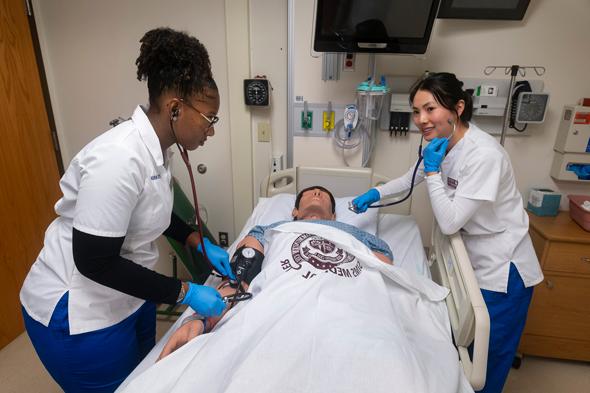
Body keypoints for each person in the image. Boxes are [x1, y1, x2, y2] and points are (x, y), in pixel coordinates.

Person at [19, 27, 235, 393]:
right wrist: (185, 291)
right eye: (209, 118)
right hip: (77, 311)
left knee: (146, 380)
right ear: (175, 108)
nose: (210, 130)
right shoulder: (119, 159)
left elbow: (149, 210)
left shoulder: (156, 151)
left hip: (130, 294)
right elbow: (94, 261)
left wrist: (197, 241)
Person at [352, 72, 543, 393]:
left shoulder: (484, 155)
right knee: (462, 349)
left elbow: (450, 221)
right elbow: (411, 179)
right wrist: (376, 193)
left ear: (458, 107)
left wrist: (431, 170)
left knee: (488, 359)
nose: (421, 120)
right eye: (416, 112)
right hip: (472, 259)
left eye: (430, 109)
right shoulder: (443, 145)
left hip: (503, 270)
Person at [157, 186, 393, 359]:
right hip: (278, 302)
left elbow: (378, 280)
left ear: (333, 216)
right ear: (294, 211)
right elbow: (241, 277)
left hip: (342, 309)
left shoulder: (359, 236)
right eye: (310, 193)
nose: (318, 194)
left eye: (324, 196)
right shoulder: (270, 230)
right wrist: (202, 320)